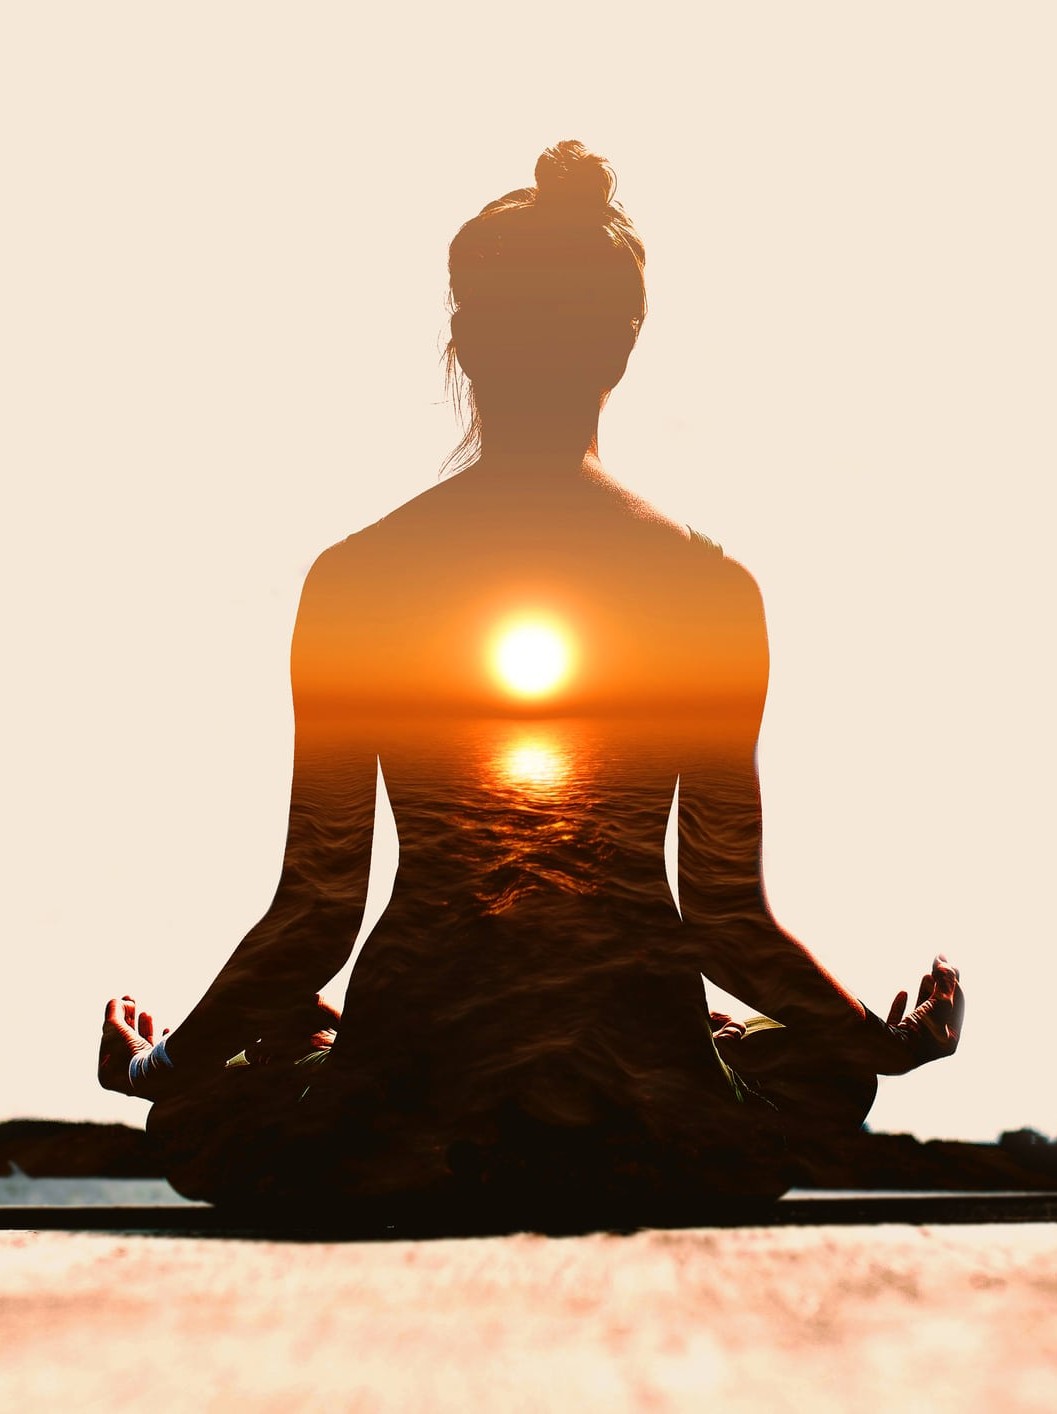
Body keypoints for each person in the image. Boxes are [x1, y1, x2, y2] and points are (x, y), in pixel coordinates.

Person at [99, 141, 963, 1224]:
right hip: (638, 1098)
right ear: (623, 346)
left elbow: (317, 911)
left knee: (223, 1097)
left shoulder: (360, 579)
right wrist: (880, 1045)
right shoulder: (705, 588)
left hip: (415, 1089)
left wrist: (161, 1064)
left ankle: (328, 1050)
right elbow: (727, 919)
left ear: (464, 340)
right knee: (814, 1072)